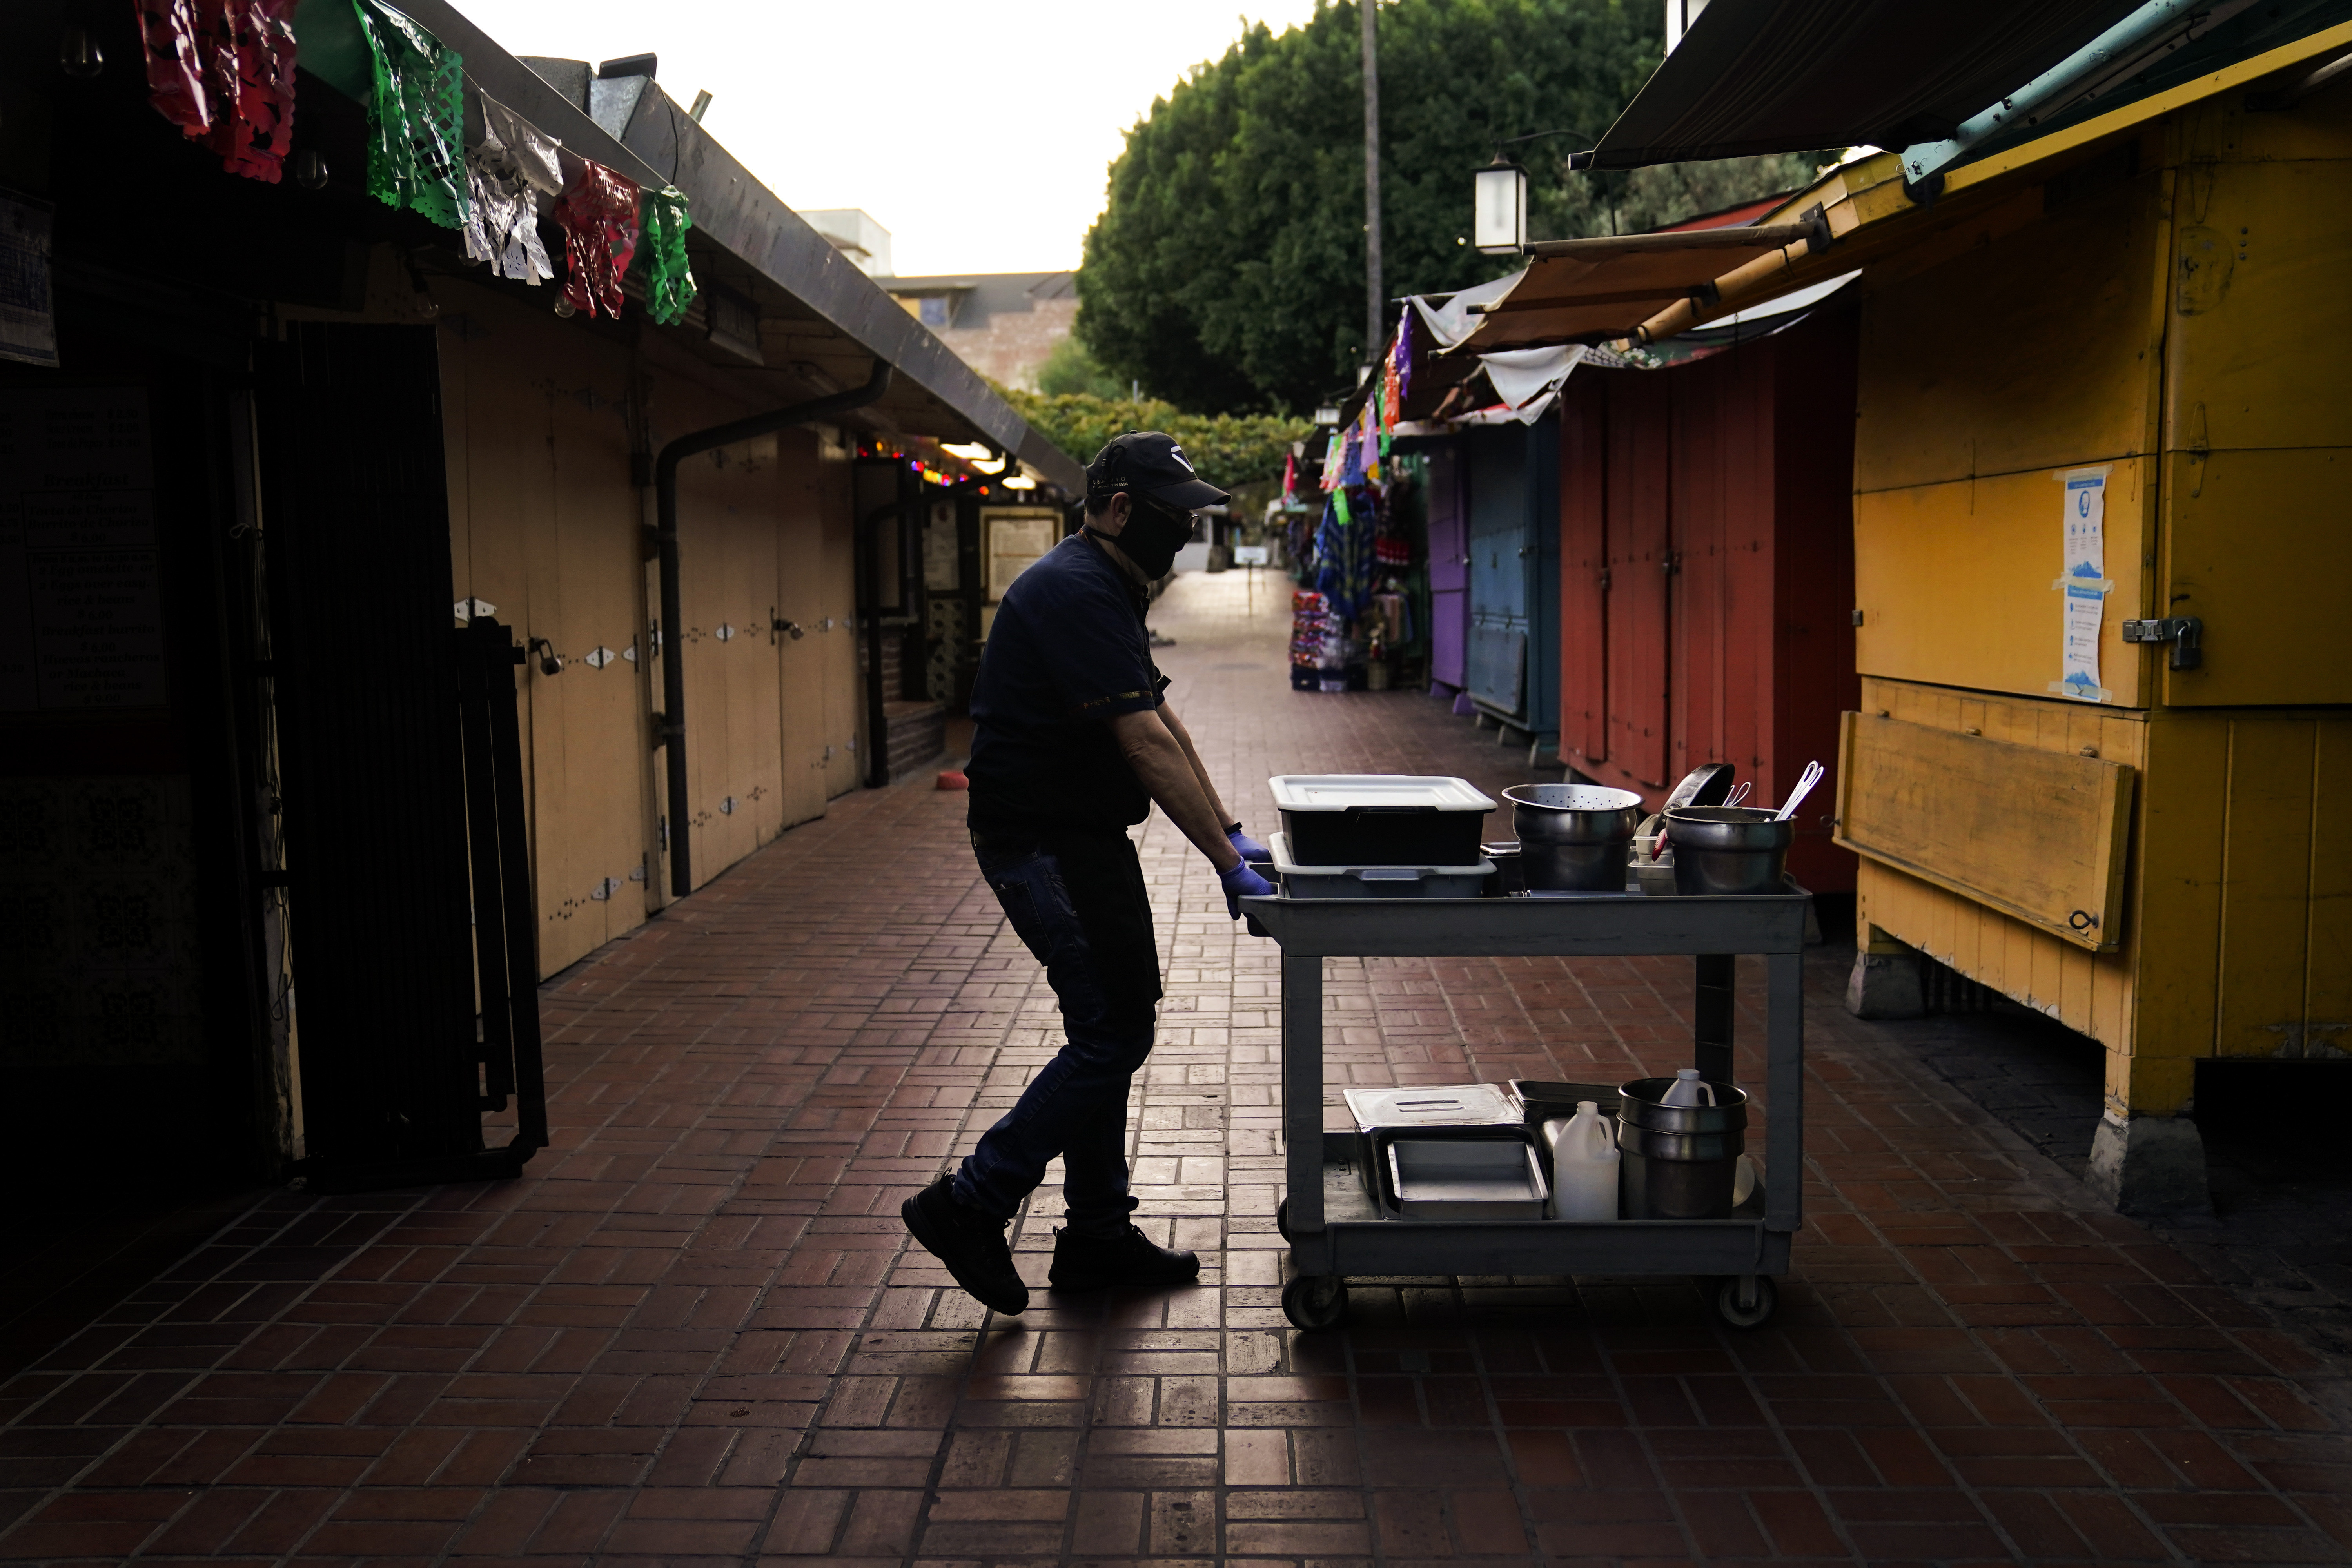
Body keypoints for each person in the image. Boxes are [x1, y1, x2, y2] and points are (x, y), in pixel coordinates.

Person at [900, 432, 1277, 1316]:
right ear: (1117, 508)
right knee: (1114, 1030)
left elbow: (1159, 714)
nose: (1184, 532)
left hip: (1079, 835)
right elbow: (1140, 742)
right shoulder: (1073, 588)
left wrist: (1229, 831)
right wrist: (1225, 865)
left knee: (1112, 1023)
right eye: (1174, 517)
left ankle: (1098, 1234)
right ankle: (971, 1201)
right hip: (1043, 842)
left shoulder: (1104, 582)